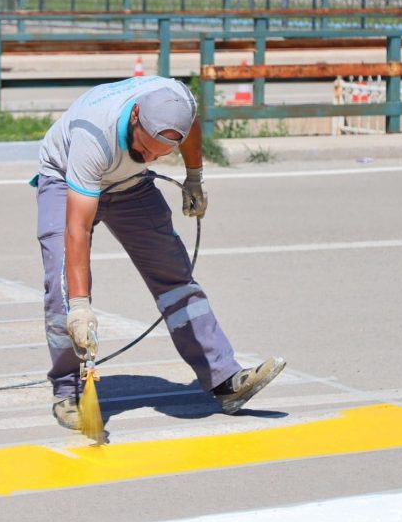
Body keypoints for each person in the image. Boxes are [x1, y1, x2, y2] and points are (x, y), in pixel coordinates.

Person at [33, 76, 285, 430]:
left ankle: (224, 379)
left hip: (131, 184)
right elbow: (78, 228)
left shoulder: (179, 102)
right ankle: (68, 391)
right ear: (135, 116)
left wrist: (194, 177)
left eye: (159, 154)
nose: (150, 157)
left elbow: (191, 126)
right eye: (145, 148)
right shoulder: (93, 136)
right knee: (62, 291)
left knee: (175, 276)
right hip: (66, 180)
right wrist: (80, 306)